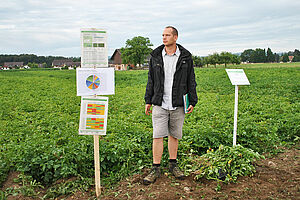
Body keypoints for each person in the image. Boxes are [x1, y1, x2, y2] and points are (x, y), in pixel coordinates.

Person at [143, 26, 198, 185]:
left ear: (175, 37)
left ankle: (173, 165)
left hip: (178, 103)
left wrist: (192, 101)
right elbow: (151, 80)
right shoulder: (156, 56)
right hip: (159, 102)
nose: (164, 38)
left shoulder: (185, 57)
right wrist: (148, 100)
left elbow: (191, 80)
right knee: (158, 135)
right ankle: (155, 168)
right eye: (162, 35)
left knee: (174, 135)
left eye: (167, 35)